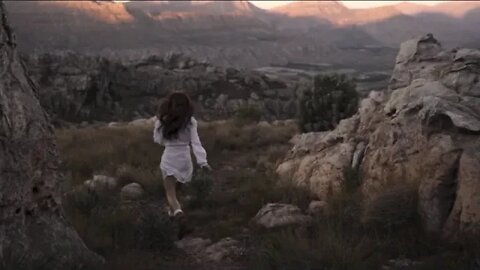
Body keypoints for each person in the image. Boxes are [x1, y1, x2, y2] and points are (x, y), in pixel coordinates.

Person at [153, 91, 211, 219]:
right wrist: (203, 162)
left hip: (169, 157)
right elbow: (196, 143)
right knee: (178, 190)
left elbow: (158, 140)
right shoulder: (190, 122)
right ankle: (172, 214)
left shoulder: (162, 120)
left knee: (170, 193)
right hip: (185, 158)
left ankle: (178, 213)